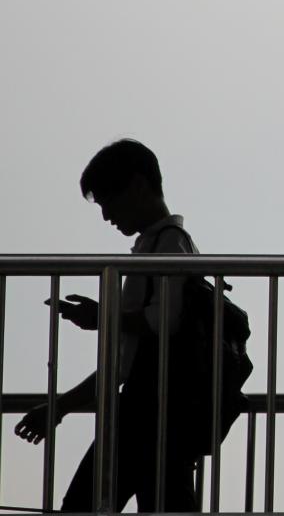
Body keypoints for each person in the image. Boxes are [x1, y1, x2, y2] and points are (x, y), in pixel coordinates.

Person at [12, 139, 202, 512]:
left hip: (146, 419)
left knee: (85, 505)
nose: (106, 216)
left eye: (107, 201)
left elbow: (162, 323)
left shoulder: (167, 246)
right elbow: (124, 365)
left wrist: (105, 319)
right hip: (152, 416)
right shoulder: (160, 246)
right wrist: (61, 407)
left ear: (137, 186)